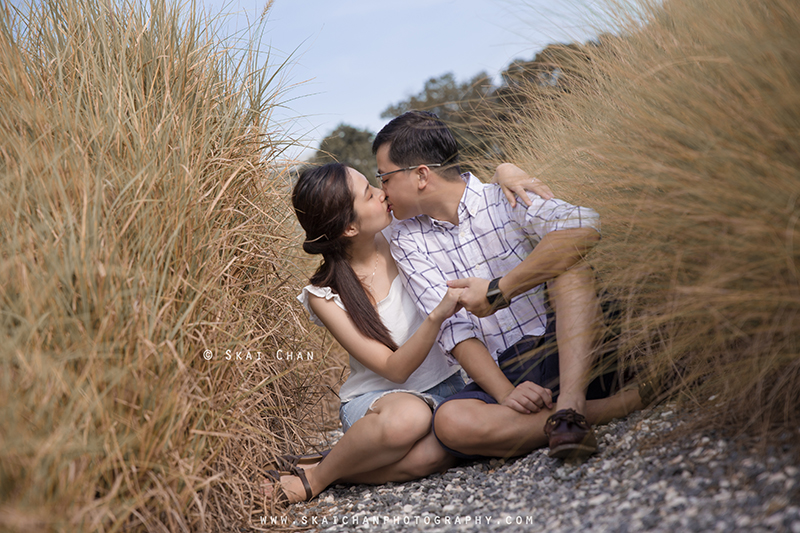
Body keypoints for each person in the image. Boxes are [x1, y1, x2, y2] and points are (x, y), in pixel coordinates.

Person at [265, 161, 551, 504]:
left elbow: (453, 196)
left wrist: (505, 170)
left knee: (432, 457)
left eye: (375, 184)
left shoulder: (403, 233)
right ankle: (315, 479)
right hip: (376, 405)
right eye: (369, 194)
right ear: (350, 228)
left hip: (445, 389)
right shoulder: (323, 296)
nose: (382, 193)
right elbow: (395, 369)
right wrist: (436, 317)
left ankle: (328, 460)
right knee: (409, 417)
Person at [373, 110, 644, 461]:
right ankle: (613, 406)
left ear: (421, 175)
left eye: (384, 178)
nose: (382, 190)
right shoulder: (406, 239)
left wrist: (500, 290)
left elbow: (584, 224)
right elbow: (454, 329)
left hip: (572, 346)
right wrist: (505, 394)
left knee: (569, 263)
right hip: (509, 371)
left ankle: (573, 406)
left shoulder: (504, 197)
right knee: (451, 423)